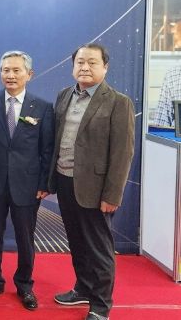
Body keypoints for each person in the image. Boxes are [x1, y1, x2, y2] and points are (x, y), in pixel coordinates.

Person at [47, 43, 135, 320]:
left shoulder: (118, 102)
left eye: (92, 62)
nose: (85, 67)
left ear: (105, 67)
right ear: (73, 66)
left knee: (99, 248)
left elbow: (123, 152)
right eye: (80, 62)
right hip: (65, 181)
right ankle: (83, 288)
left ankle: (100, 305)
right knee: (76, 241)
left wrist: (112, 194)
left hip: (96, 190)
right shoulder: (64, 95)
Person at [0, 51, 54, 311]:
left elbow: (47, 149)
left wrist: (44, 183)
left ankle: (24, 285)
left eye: (16, 70)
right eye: (6, 70)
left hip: (28, 185)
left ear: (29, 75)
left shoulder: (42, 107)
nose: (10, 75)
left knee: (25, 237)